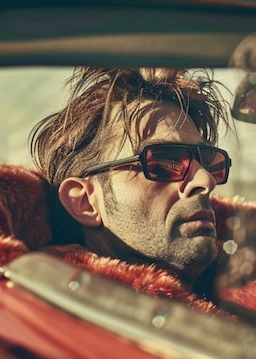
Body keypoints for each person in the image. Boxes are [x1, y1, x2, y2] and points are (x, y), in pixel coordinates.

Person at [29, 67, 233, 299]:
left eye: (208, 162)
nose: (205, 180)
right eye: (165, 162)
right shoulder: (49, 323)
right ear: (85, 203)